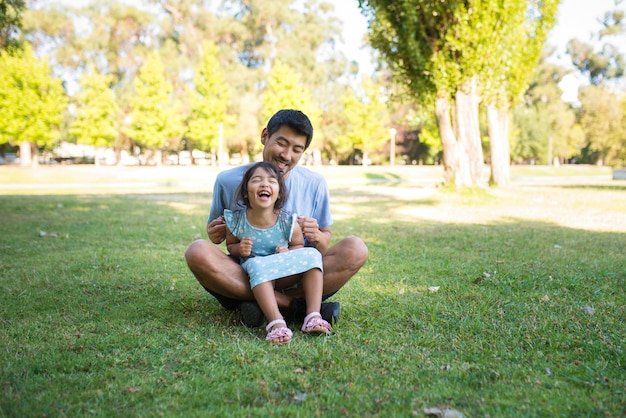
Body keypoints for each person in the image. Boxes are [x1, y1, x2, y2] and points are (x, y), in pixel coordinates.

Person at [185, 109, 368, 328]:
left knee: (356, 249)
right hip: (247, 270)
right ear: (265, 136)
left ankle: (257, 303)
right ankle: (295, 307)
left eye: (297, 150)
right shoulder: (227, 180)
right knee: (197, 251)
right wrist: (214, 233)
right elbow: (217, 233)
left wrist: (318, 236)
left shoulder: (315, 183)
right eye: (282, 143)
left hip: (297, 271)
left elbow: (325, 238)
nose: (287, 155)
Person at [225, 161, 332, 343]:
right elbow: (230, 245)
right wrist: (240, 249)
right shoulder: (237, 220)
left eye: (272, 181)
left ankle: (313, 316)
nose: (265, 184)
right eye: (257, 180)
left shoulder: (287, 221)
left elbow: (298, 246)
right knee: (258, 266)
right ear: (245, 191)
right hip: (256, 270)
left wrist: (288, 251)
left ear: (280, 192)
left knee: (312, 255)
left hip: (282, 269)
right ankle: (276, 323)